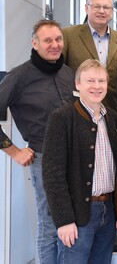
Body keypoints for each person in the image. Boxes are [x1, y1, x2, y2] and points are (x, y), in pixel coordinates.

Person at [0, 19, 75, 263]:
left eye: (58, 39)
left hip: (75, 157)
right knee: (51, 222)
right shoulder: (19, 76)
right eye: (47, 40)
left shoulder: (68, 72)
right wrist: (14, 151)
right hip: (44, 158)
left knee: (70, 220)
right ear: (35, 43)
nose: (55, 45)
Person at [42, 59, 117, 263]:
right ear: (77, 84)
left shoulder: (112, 118)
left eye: (101, 81)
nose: (96, 86)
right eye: (90, 81)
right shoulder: (62, 118)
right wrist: (64, 220)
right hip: (78, 214)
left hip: (107, 213)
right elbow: (52, 174)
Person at [63, 0, 117, 115]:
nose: (101, 11)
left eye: (106, 7)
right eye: (96, 6)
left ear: (112, 11)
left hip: (112, 113)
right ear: (86, 8)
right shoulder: (68, 35)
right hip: (77, 112)